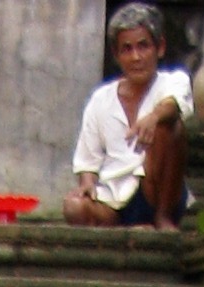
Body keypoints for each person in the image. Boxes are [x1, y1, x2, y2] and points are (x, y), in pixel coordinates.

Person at [66, 4, 191, 228]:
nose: (136, 57)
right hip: (113, 198)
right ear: (117, 55)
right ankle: (129, 228)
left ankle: (161, 218)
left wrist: (154, 117)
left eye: (143, 46)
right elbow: (87, 159)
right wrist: (87, 183)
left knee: (171, 127)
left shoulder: (174, 81)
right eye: (127, 49)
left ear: (159, 48)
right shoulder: (101, 99)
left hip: (155, 190)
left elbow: (174, 105)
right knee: (73, 206)